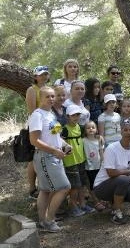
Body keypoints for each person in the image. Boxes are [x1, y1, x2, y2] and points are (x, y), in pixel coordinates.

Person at [28, 86, 71, 232]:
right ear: (41, 98)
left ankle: (43, 221)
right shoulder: (37, 115)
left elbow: (55, 136)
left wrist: (65, 145)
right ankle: (50, 220)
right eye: (48, 96)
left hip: (54, 155)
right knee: (65, 187)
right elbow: (34, 140)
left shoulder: (50, 114)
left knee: (45, 190)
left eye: (53, 96)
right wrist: (54, 151)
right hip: (45, 157)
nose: (51, 99)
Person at [93, 117, 130, 225]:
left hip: (120, 182)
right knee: (124, 180)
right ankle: (117, 212)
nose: (128, 133)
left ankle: (114, 204)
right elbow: (110, 173)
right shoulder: (111, 148)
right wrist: (127, 173)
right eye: (126, 130)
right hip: (101, 186)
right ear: (121, 131)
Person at [61, 105, 95, 217]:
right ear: (68, 116)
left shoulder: (80, 128)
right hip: (70, 161)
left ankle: (83, 204)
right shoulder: (65, 129)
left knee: (81, 185)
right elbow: (61, 143)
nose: (76, 117)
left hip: (81, 160)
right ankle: (73, 206)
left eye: (78, 115)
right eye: (73, 115)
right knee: (74, 186)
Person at [25, 65, 50, 199]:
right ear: (35, 76)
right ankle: (32, 188)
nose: (44, 76)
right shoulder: (32, 89)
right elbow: (32, 111)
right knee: (33, 157)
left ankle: (44, 186)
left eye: (46, 74)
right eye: (41, 74)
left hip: (48, 126)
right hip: (36, 126)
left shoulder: (47, 90)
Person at [82, 121, 105, 211]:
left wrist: (103, 162)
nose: (91, 129)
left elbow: (101, 152)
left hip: (98, 165)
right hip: (89, 167)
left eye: (93, 127)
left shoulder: (99, 140)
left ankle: (101, 199)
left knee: (99, 183)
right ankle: (96, 201)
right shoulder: (83, 141)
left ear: (96, 130)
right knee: (91, 185)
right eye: (88, 128)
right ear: (85, 130)